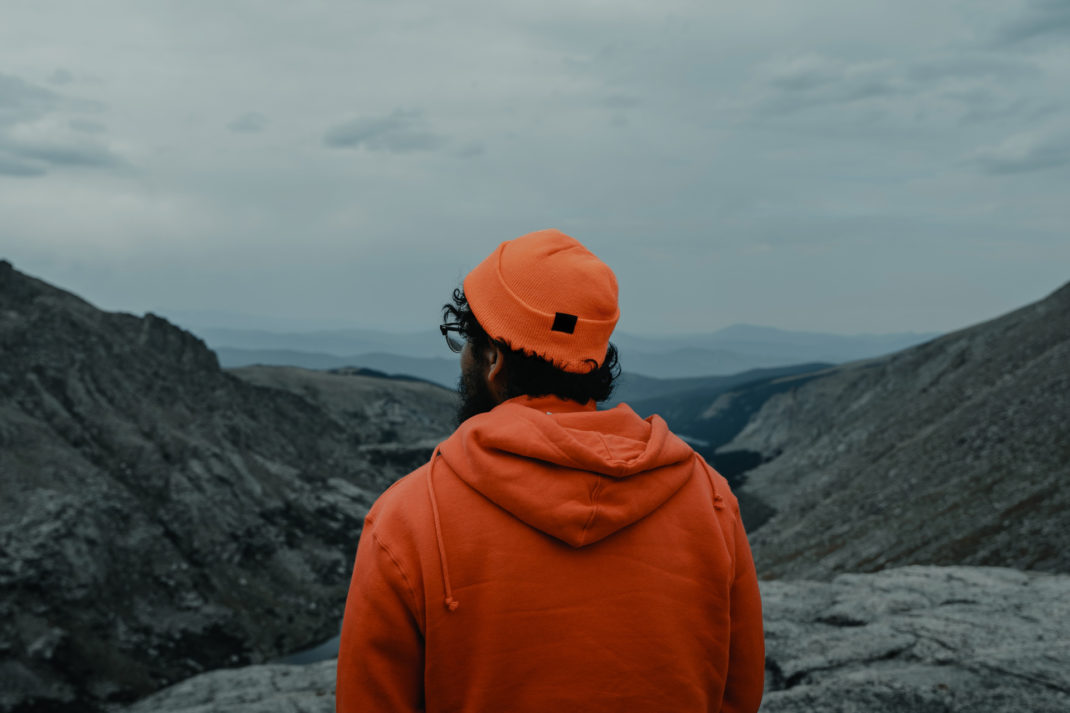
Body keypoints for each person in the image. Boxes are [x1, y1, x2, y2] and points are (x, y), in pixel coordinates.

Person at [336, 229, 764, 713]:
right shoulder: (710, 498)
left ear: (494, 359)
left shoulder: (405, 518)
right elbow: (739, 693)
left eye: (466, 344)